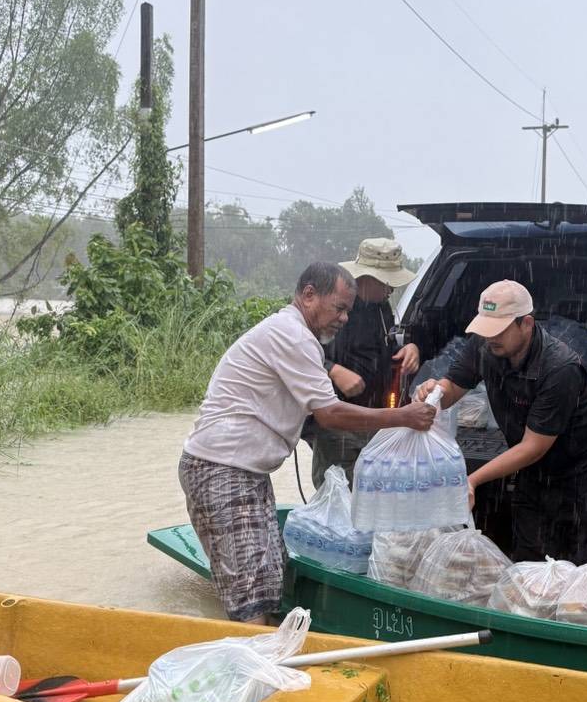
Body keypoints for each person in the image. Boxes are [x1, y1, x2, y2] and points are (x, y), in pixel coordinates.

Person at [180, 262, 436, 624]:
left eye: (348, 310)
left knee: (268, 582)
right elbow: (329, 413)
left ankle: (269, 657)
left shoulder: (303, 337)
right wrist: (401, 417)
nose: (345, 318)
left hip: (247, 472)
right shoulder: (293, 335)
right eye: (339, 308)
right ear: (309, 295)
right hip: (222, 469)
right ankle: (258, 669)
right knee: (251, 598)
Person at [413, 280, 587, 564]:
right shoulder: (486, 346)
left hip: (582, 472)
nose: (490, 338)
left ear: (527, 324)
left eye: (498, 330)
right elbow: (454, 387)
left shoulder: (560, 368)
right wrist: (434, 391)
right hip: (533, 471)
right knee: (530, 557)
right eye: (485, 330)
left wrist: (472, 479)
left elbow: (533, 446)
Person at [306, 237, 423, 489]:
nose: (391, 290)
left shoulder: (381, 307)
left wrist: (408, 349)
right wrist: (333, 370)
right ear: (366, 278)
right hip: (338, 421)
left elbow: (385, 345)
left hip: (373, 420)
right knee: (336, 498)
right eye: (386, 283)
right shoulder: (334, 308)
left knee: (369, 496)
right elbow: (298, 352)